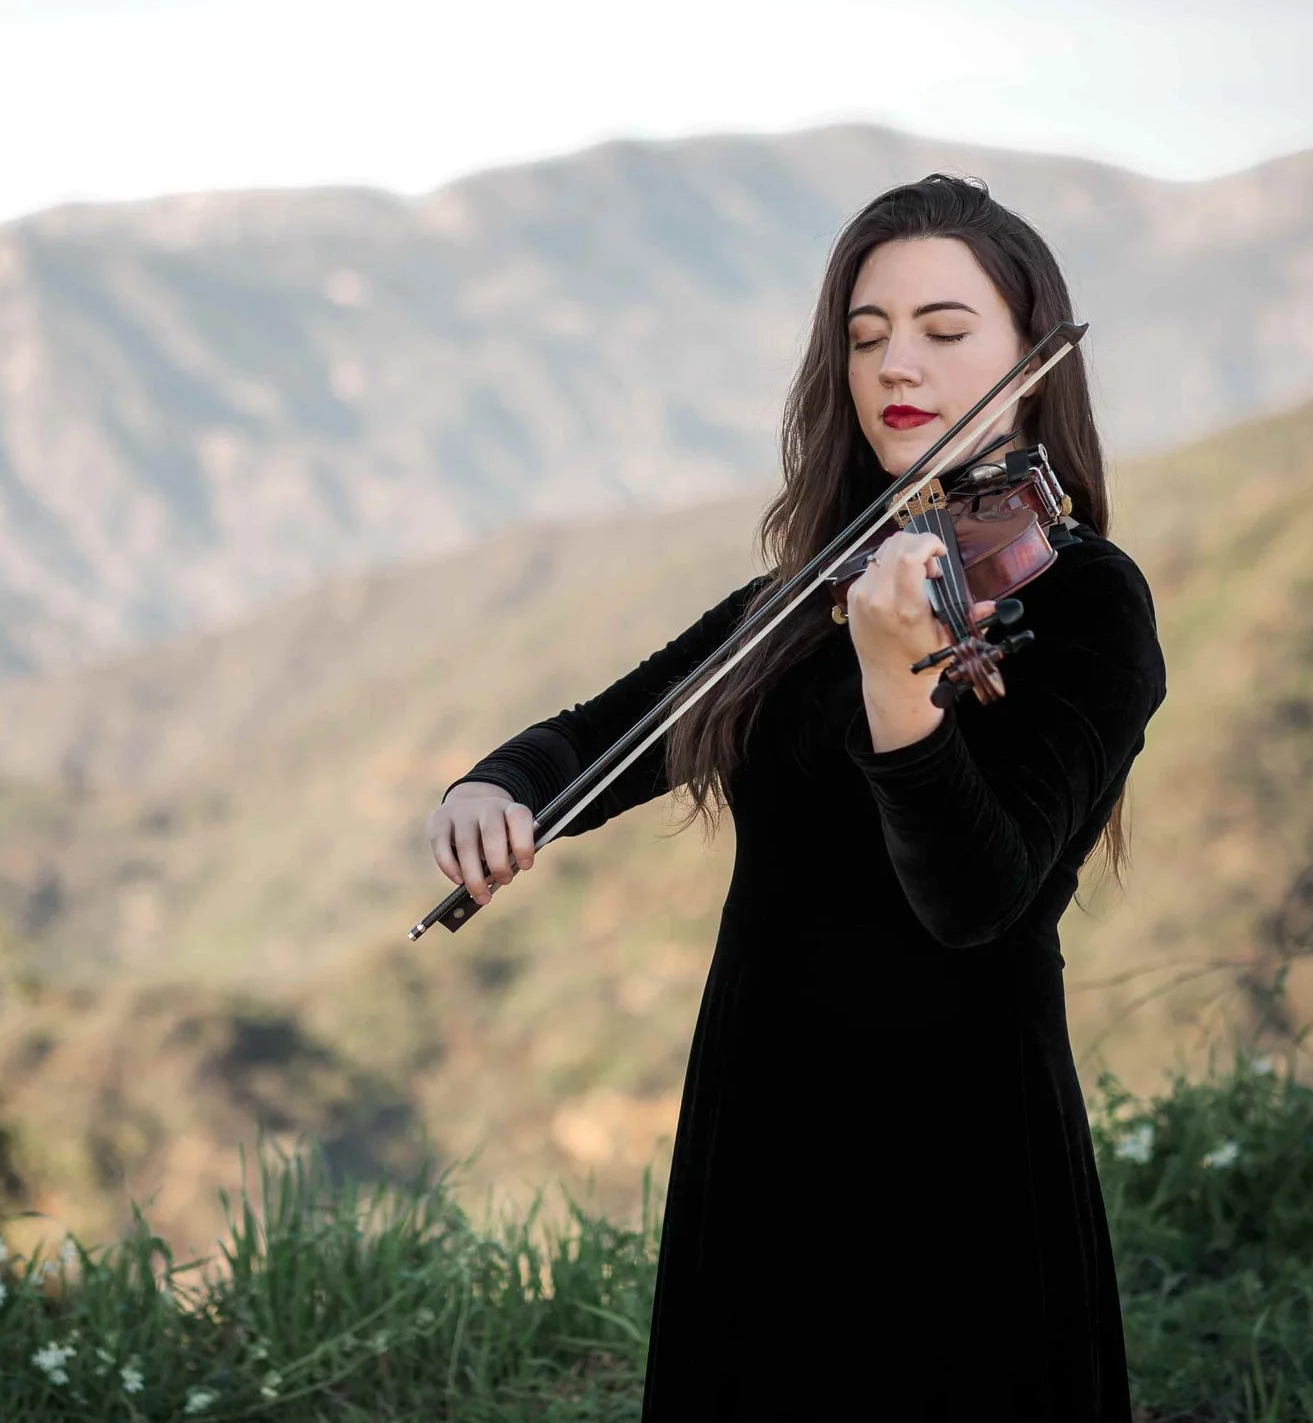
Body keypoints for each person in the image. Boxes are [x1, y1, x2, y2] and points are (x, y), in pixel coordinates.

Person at [425, 174, 1166, 1421]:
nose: (896, 364)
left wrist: (902, 688)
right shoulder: (818, 586)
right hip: (764, 1118)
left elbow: (975, 899)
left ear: (1028, 360)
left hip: (953, 1148)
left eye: (944, 329)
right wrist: (495, 786)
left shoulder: (1085, 601)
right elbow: (604, 731)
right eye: (866, 334)